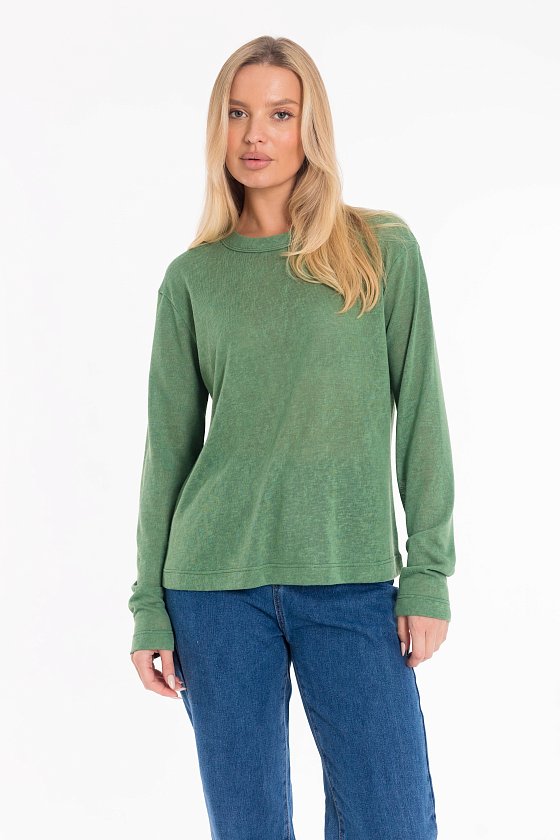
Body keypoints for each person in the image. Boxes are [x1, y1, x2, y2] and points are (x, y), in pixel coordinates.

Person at [128, 35, 456, 840]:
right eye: (237, 113)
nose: (255, 135)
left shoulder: (379, 250)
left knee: (394, 820)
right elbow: (168, 452)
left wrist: (428, 574)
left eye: (280, 113)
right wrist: (148, 608)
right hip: (213, 590)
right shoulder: (194, 278)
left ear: (311, 125)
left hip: (352, 582)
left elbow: (422, 414)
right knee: (248, 828)